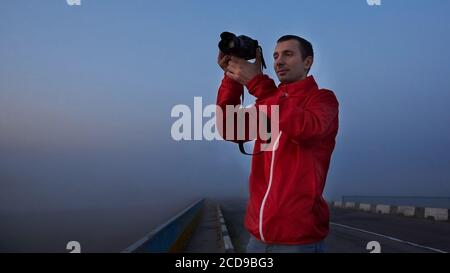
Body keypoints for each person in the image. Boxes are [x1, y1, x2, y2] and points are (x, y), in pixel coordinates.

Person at [216, 35, 339, 253]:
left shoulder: (323, 100)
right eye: (275, 56)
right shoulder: (268, 101)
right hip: (257, 237)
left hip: (298, 241)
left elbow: (305, 128)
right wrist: (232, 79)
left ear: (308, 62)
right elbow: (230, 128)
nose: (279, 61)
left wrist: (258, 84)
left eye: (288, 54)